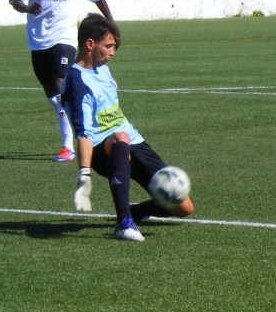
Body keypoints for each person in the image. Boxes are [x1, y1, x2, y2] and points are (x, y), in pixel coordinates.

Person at [62, 13, 194, 241]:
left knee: (183, 207)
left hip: (132, 139)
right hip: (100, 147)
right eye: (108, 46)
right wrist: (84, 173)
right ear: (90, 44)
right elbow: (83, 133)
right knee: (120, 137)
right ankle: (123, 223)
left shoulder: (102, 68)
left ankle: (134, 211)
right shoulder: (76, 81)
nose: (112, 52)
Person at [9, 0, 114, 162]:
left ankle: (71, 144)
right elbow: (15, 0)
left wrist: (111, 23)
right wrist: (27, 8)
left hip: (64, 35)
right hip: (37, 37)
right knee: (52, 93)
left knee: (60, 79)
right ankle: (74, 130)